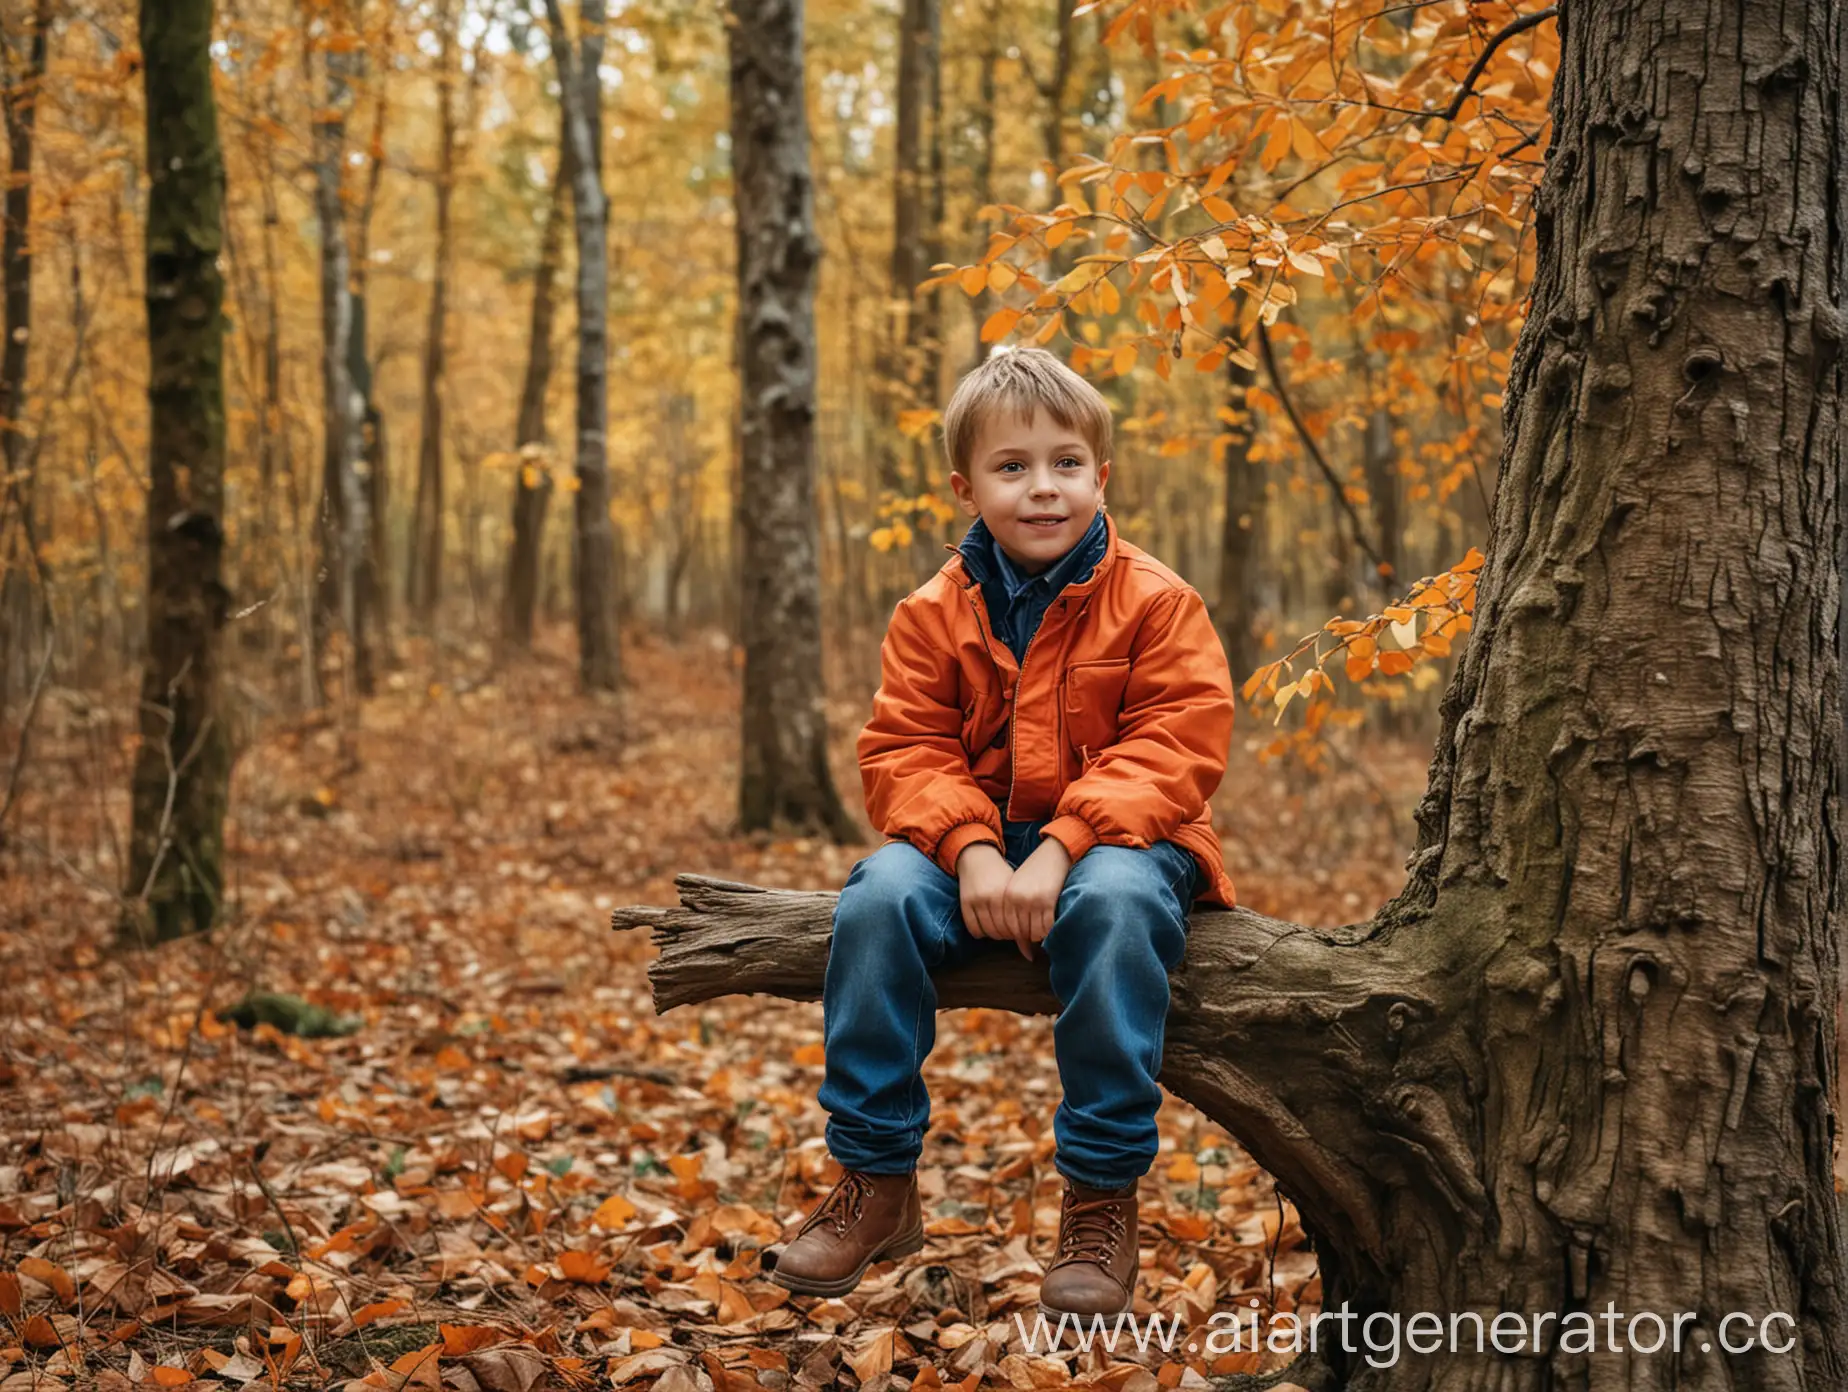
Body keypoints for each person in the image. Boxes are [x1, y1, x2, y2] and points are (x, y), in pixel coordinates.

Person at [762, 346, 1237, 1320]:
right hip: (968, 850)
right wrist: (977, 851)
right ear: (966, 488)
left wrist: (1062, 845)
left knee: (1110, 905)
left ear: (1102, 476)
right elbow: (904, 750)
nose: (1043, 488)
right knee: (879, 897)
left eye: (1066, 463)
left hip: (1123, 847)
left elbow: (1178, 742)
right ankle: (876, 1179)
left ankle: (1101, 1193)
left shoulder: (1156, 602)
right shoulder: (930, 615)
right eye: (1011, 468)